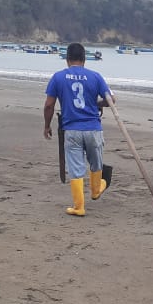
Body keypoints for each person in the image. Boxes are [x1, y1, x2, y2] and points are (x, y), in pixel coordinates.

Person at [43, 43, 115, 216]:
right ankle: (96, 190)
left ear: (67, 59)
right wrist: (98, 104)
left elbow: (49, 105)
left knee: (76, 167)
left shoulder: (58, 77)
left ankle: (79, 207)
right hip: (93, 129)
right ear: (84, 59)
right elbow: (111, 99)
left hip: (72, 129)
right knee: (95, 163)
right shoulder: (95, 76)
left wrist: (47, 125)